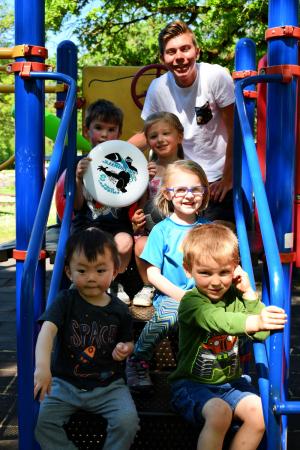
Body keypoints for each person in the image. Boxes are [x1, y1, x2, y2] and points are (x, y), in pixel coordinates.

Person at [169, 223, 287, 450]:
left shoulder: (235, 297)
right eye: (205, 272)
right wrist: (254, 320)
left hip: (230, 384)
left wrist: (249, 295)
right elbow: (218, 320)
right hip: (191, 385)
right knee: (220, 413)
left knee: (260, 414)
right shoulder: (192, 303)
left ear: (235, 269)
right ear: (188, 269)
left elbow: (261, 332)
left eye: (224, 272)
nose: (215, 281)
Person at [34, 228, 139, 450]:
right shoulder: (65, 301)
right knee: (43, 424)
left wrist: (125, 348)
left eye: (100, 270)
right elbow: (47, 332)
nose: (91, 278)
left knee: (127, 422)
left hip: (109, 386)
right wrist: (43, 368)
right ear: (69, 273)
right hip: (65, 384)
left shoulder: (120, 310)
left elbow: (129, 341)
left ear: (114, 272)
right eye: (82, 270)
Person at [129, 20, 235, 224]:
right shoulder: (159, 88)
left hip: (216, 179)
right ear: (162, 58)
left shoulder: (215, 77)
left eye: (185, 49)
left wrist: (228, 178)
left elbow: (235, 130)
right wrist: (107, 154)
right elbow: (147, 134)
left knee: (215, 239)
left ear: (197, 51)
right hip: (183, 179)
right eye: (171, 52)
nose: (179, 57)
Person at [126, 160, 210, 392]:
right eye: (181, 189)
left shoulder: (208, 229)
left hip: (204, 297)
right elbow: (152, 273)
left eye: (196, 189)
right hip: (173, 296)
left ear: (204, 192)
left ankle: (217, 365)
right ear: (167, 194)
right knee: (168, 315)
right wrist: (181, 296)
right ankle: (138, 359)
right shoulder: (162, 230)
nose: (189, 195)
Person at [72, 99, 133, 304]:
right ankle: (85, 283)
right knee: (91, 240)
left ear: (119, 133)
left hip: (116, 226)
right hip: (88, 225)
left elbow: (132, 197)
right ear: (87, 130)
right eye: (98, 128)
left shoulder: (125, 163)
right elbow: (77, 206)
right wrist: (78, 179)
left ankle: (114, 281)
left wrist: (143, 177)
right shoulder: (78, 164)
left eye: (111, 129)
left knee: (124, 241)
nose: (104, 135)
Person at [131, 112, 184, 307]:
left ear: (179, 136)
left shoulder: (188, 169)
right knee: (140, 245)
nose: (160, 140)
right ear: (148, 141)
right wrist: (137, 220)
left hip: (180, 230)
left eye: (166, 134)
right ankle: (148, 287)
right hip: (153, 231)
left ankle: (182, 286)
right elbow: (144, 205)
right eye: (153, 136)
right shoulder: (147, 170)